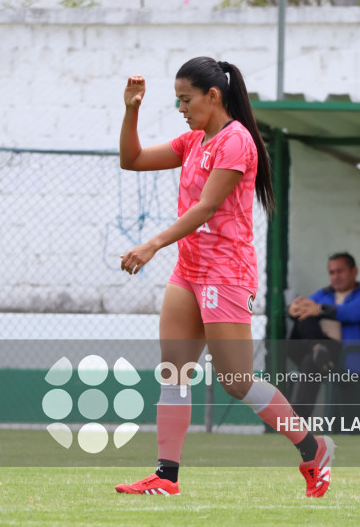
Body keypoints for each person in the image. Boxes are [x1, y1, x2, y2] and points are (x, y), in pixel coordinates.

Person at [114, 57, 334, 497]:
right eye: (177, 100)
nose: (180, 107)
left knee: (235, 382)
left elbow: (206, 208)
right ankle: (166, 476)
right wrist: (132, 109)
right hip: (189, 271)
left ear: (213, 96)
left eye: (186, 99)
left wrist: (153, 244)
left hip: (225, 275)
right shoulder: (195, 140)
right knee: (173, 370)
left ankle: (313, 449)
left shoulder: (237, 141)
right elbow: (132, 159)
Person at [286, 252, 360, 418]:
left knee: (311, 360)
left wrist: (320, 310)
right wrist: (292, 310)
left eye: (340, 271)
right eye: (332, 272)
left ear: (354, 271)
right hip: (310, 348)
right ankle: (317, 348)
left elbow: (350, 313)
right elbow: (303, 308)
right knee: (305, 315)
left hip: (343, 354)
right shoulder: (323, 295)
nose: (336, 276)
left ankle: (297, 420)